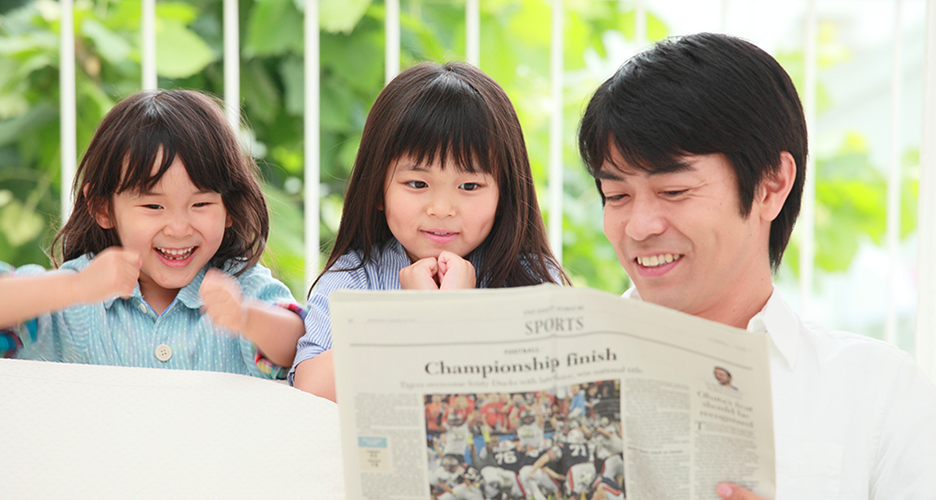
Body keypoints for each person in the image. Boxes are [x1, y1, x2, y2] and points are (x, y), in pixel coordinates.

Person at [577, 32, 936, 499]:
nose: (639, 226)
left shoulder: (877, 390)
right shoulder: (567, 380)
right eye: (617, 196)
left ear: (771, 185)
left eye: (674, 192)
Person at [291, 61, 570, 400]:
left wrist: (457, 316)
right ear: (378, 189)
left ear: (504, 194)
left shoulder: (531, 279)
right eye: (417, 183)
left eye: (469, 185)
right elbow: (309, 387)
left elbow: (557, 391)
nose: (441, 208)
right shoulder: (354, 279)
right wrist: (417, 320)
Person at [0, 90, 304, 379]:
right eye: (153, 205)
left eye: (200, 204)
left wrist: (246, 317)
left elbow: (300, 346)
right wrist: (75, 287)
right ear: (103, 208)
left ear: (230, 208)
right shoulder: (74, 296)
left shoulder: (240, 289)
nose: (178, 228)